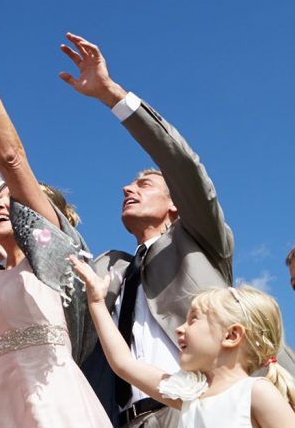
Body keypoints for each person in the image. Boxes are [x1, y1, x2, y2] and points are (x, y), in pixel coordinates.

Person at [58, 31, 295, 426]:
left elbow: (182, 165)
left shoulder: (198, 237)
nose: (126, 188)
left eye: (144, 184)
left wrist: (111, 95)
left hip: (188, 407)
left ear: (175, 205)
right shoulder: (114, 268)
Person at [0, 0, 109, 428]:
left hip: (60, 412)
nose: (2, 202)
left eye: (14, 200)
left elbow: (13, 160)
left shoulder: (56, 256)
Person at [73, 258, 295, 428]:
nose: (180, 328)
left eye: (194, 319)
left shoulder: (257, 393)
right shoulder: (189, 396)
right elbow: (123, 363)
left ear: (231, 336)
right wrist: (96, 302)